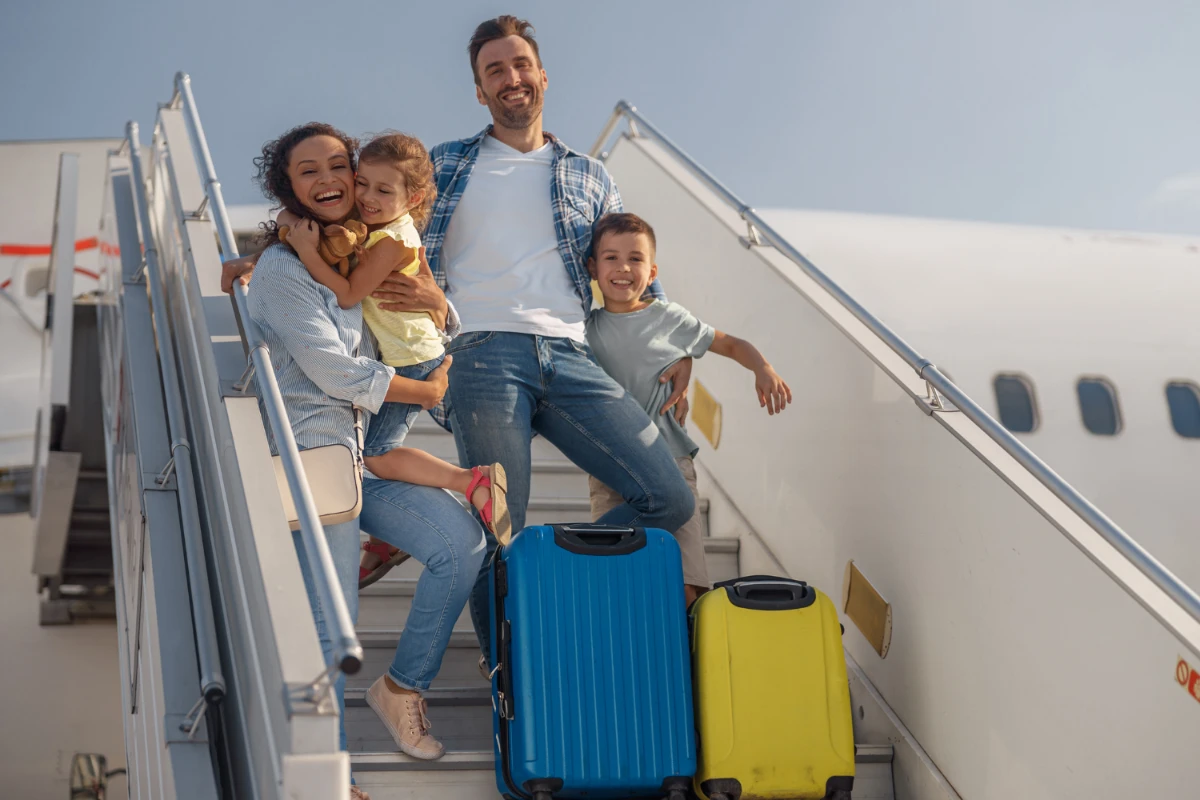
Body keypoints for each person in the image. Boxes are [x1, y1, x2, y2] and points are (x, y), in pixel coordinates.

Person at [244, 124, 486, 790]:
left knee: (462, 544)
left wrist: (443, 306)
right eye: (307, 171)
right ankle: (331, 777)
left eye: (338, 165)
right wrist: (429, 388)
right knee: (331, 622)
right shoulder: (284, 269)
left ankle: (402, 687)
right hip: (310, 455)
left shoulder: (361, 248)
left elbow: (411, 317)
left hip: (362, 455)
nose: (327, 179)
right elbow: (333, 370)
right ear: (286, 187)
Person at [277, 132, 511, 586]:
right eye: (362, 183)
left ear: (414, 197)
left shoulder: (391, 242)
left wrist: (305, 251)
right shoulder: (382, 228)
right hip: (407, 353)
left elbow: (347, 293)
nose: (366, 197)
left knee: (375, 456)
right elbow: (318, 230)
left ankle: (471, 481)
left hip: (410, 361)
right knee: (372, 454)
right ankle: (390, 539)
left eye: (383, 191)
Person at [585, 213, 793, 607]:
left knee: (686, 584)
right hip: (610, 471)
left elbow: (731, 344)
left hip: (671, 459)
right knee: (616, 578)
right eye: (611, 258)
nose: (624, 268)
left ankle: (686, 660)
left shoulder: (669, 318)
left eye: (636, 259)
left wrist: (761, 367)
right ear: (593, 268)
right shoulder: (584, 329)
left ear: (653, 270)